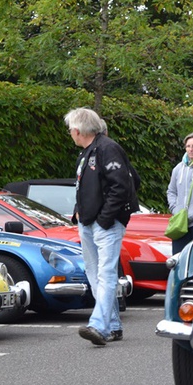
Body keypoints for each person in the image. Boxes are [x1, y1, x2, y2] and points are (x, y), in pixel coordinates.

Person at [65, 107, 138, 347]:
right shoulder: (87, 152)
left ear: (78, 130)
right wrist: (79, 211)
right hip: (88, 223)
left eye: (70, 129)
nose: (70, 133)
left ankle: (98, 325)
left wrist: (105, 218)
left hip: (106, 224)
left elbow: (122, 186)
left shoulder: (108, 148)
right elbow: (83, 187)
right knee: (95, 274)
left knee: (106, 274)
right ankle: (113, 325)